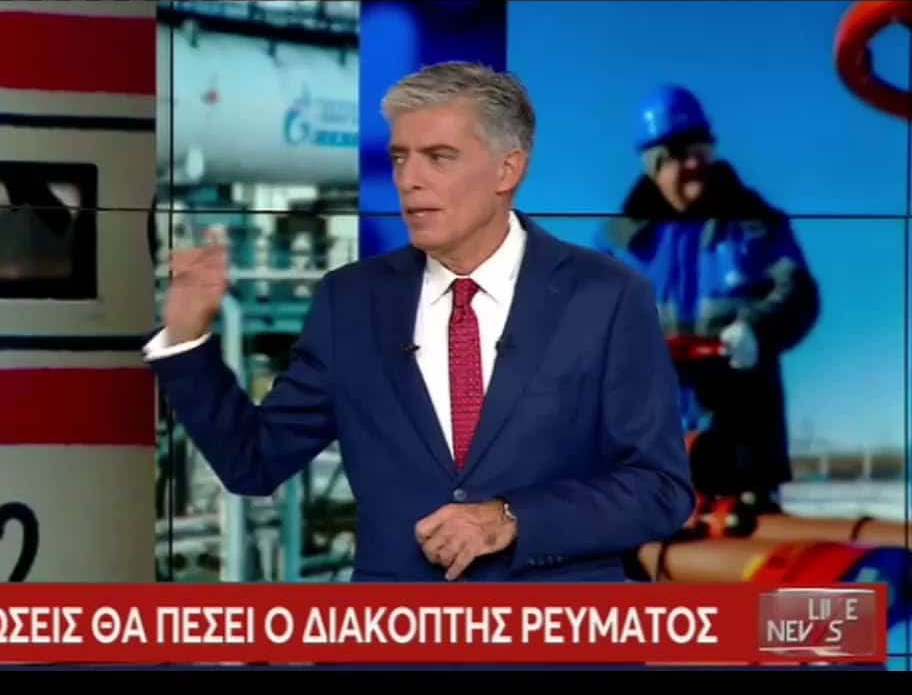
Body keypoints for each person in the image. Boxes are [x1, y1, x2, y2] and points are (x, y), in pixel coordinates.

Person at [146, 62, 694, 583]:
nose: (409, 180)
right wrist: (186, 339)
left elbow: (659, 490)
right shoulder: (350, 301)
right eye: (400, 158)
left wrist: (513, 519)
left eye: (439, 157)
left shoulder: (606, 296)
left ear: (508, 169)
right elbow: (253, 463)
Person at [594, 86, 819, 510]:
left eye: (702, 149)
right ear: (654, 164)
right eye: (680, 154)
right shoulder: (617, 245)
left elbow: (799, 295)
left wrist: (757, 329)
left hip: (744, 462)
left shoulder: (756, 225)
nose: (696, 163)